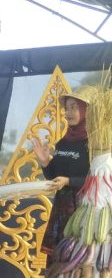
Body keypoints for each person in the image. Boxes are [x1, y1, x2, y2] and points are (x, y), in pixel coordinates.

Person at [32, 87, 91, 261]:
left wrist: (69, 181)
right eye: (66, 108)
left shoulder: (94, 143)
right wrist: (45, 163)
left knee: (77, 263)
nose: (68, 113)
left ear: (86, 110)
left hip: (83, 210)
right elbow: (54, 178)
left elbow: (98, 180)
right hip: (61, 209)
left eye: (74, 107)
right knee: (57, 264)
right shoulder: (63, 142)